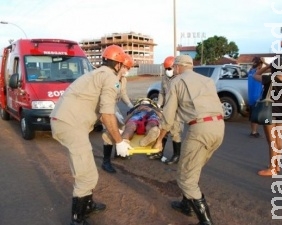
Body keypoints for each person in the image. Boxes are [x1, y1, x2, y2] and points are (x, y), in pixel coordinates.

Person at [50, 44, 132, 225]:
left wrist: (115, 132)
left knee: (88, 170)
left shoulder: (98, 74)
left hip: (67, 122)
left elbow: (104, 111)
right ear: (118, 65)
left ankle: (87, 205)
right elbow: (106, 113)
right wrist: (118, 141)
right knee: (86, 176)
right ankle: (77, 219)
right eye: (124, 66)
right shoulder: (110, 78)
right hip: (71, 125)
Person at [153, 55, 225, 225]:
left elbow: (169, 117)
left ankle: (206, 222)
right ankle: (186, 205)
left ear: (177, 67)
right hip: (219, 128)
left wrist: (159, 140)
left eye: (173, 68)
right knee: (193, 168)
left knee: (186, 177)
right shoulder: (207, 81)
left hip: (200, 130)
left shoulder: (176, 82)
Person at [253, 47, 282, 176]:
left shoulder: (268, 79)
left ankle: (272, 168)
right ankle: (276, 165)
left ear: (273, 68)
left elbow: (255, 75)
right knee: (278, 139)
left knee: (272, 141)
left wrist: (267, 67)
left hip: (270, 112)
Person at [101, 53, 134, 173]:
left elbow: (123, 93)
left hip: (114, 106)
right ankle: (106, 161)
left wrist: (130, 105)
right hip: (105, 107)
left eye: (129, 69)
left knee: (122, 126)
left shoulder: (123, 80)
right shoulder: (110, 77)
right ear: (119, 66)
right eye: (126, 68)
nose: (127, 70)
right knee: (109, 131)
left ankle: (119, 151)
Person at [148, 56, 183, 165]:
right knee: (163, 128)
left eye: (169, 68)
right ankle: (159, 152)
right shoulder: (164, 77)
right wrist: (159, 104)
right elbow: (162, 92)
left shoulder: (180, 78)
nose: (168, 71)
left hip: (177, 109)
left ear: (175, 67)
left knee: (175, 131)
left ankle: (176, 155)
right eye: (166, 69)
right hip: (166, 107)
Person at [247, 57, 264, 138]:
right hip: (257, 97)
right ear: (260, 65)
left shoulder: (250, 71)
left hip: (251, 97)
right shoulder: (257, 73)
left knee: (252, 115)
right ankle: (254, 132)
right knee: (255, 115)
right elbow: (272, 68)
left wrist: (261, 62)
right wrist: (264, 62)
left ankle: (253, 131)